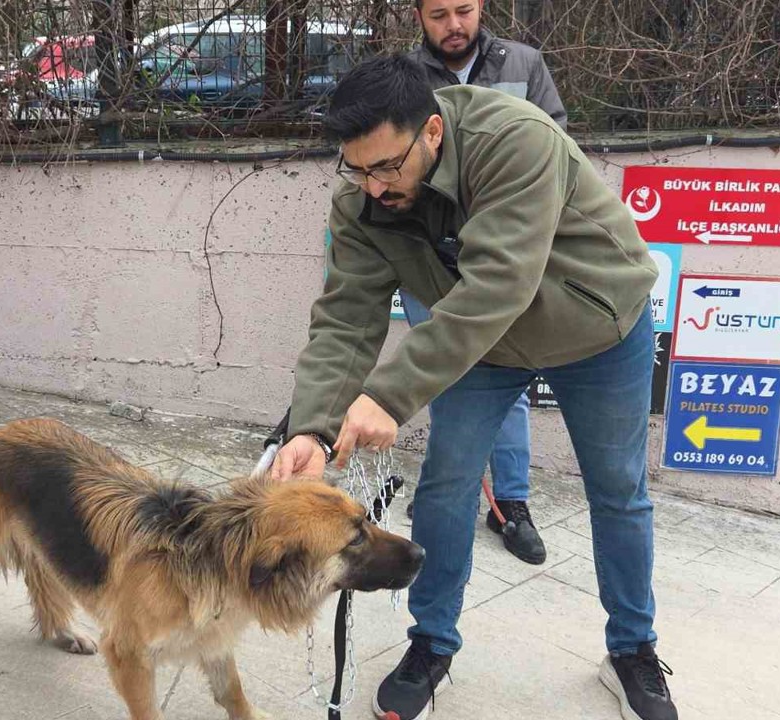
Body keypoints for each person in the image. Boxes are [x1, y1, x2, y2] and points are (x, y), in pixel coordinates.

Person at [271, 54, 677, 720]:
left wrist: (389, 394)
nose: (373, 186)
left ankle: (632, 651)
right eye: (357, 167)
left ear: (432, 132)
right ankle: (431, 645)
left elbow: (499, 284)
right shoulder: (363, 199)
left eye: (387, 166)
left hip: (598, 329)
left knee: (618, 491)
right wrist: (312, 429)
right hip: (480, 350)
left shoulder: (515, 139)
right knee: (447, 485)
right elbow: (347, 316)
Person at [395, 0, 568, 566]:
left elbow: (558, 153)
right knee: (441, 375)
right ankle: (449, 493)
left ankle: (511, 505)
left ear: (482, 8)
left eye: (463, 10)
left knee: (507, 385)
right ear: (419, 15)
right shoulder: (404, 77)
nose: (453, 25)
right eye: (439, 14)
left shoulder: (524, 64)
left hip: (498, 265)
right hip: (429, 261)